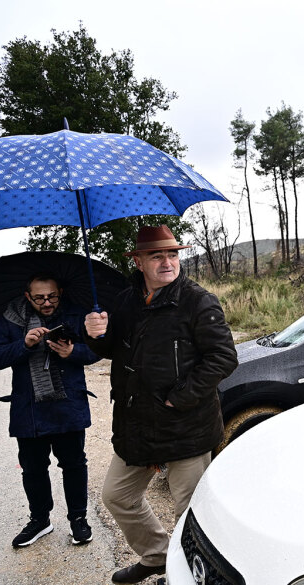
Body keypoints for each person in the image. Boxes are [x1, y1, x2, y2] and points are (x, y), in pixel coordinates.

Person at [84, 225, 238, 585]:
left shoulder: (198, 301)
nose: (167, 262)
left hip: (186, 426)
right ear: (138, 262)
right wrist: (96, 335)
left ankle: (190, 576)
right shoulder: (126, 301)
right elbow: (112, 349)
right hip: (137, 425)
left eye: (172, 254)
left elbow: (223, 358)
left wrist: (178, 397)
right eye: (157, 256)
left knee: (191, 514)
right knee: (117, 496)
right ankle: (156, 555)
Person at [0, 273, 101, 548]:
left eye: (52, 296)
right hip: (28, 408)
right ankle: (40, 520)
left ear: (60, 292)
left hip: (68, 404)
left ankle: (78, 519)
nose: (47, 303)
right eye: (39, 298)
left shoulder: (77, 313)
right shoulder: (11, 317)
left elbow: (98, 350)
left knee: (74, 464)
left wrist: (72, 352)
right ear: (28, 296)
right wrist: (23, 345)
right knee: (33, 468)